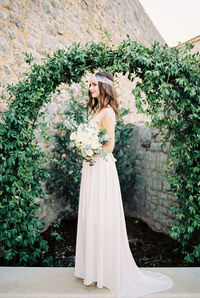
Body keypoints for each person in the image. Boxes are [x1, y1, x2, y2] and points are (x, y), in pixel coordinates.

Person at [74, 72, 173, 298]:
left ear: (103, 87)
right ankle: (91, 267)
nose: (90, 88)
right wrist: (83, 147)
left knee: (101, 215)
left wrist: (89, 148)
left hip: (101, 167)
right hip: (91, 167)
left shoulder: (107, 112)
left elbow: (109, 146)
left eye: (93, 84)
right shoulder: (96, 110)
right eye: (89, 84)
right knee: (91, 214)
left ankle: (103, 270)